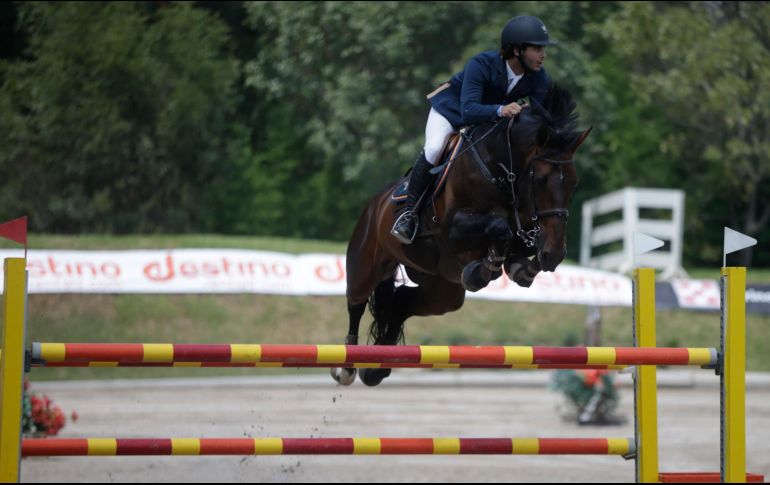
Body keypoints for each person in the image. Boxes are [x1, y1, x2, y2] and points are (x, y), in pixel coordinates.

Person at [391, 15, 556, 244]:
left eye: (543, 49)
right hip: (452, 112)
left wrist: (534, 115)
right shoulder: (482, 64)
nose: (543, 55)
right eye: (537, 49)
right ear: (517, 50)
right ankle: (409, 215)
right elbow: (468, 110)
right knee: (434, 148)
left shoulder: (538, 77)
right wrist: (501, 110)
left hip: (486, 123)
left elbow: (542, 117)